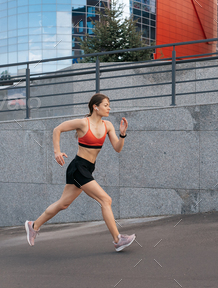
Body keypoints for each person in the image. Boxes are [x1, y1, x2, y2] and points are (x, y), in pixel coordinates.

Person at [24, 93, 136, 252]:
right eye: (106, 105)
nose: (109, 108)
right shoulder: (83, 123)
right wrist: (57, 151)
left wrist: (122, 133)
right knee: (106, 200)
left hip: (87, 168)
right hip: (78, 167)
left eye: (109, 105)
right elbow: (58, 129)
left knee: (63, 204)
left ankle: (33, 225)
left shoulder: (108, 125)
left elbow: (118, 148)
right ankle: (118, 239)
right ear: (95, 107)